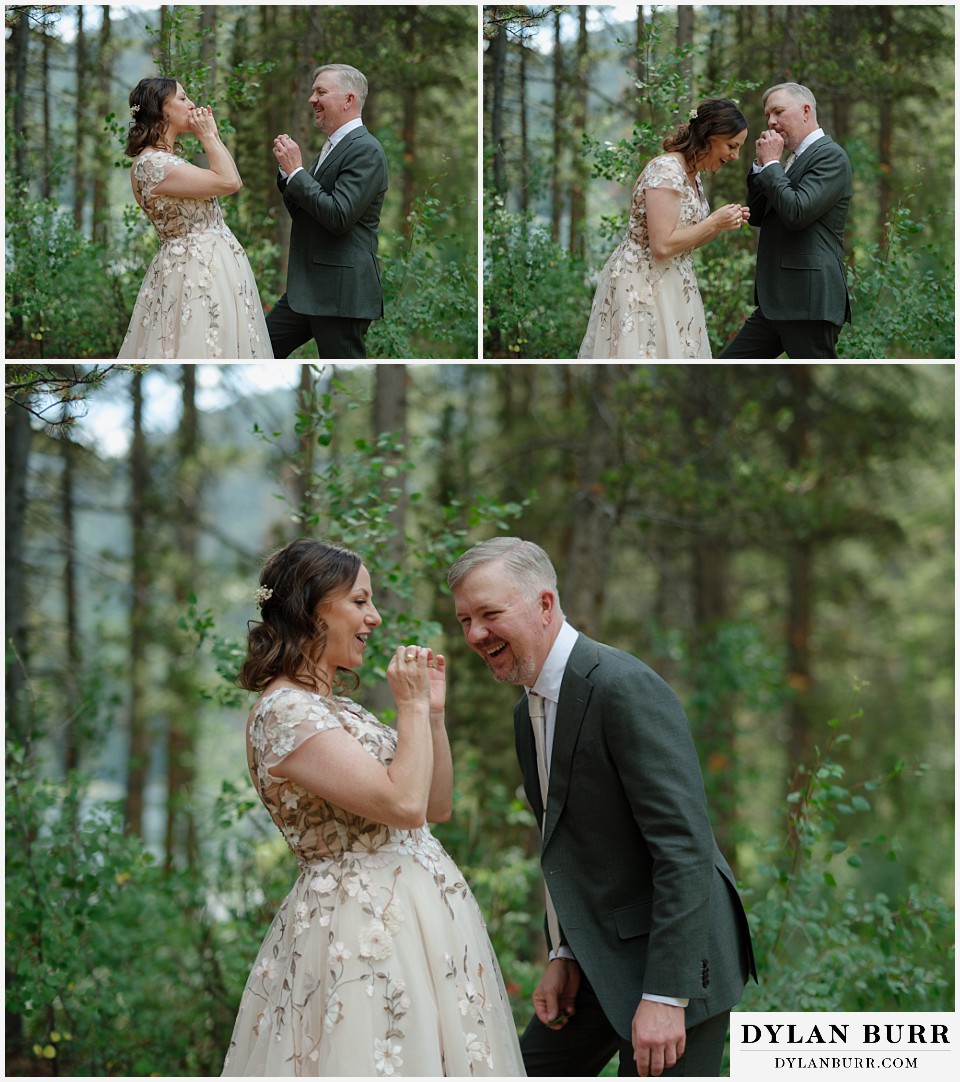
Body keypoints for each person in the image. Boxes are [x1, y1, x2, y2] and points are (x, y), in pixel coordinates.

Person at [448, 538, 757, 1078]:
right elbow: (567, 849)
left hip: (674, 962)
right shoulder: (527, 715)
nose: (475, 634)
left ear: (544, 605)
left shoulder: (624, 687)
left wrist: (665, 995)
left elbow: (683, 849)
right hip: (595, 959)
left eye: (489, 614)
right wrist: (562, 954)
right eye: (465, 620)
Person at [222, 539, 524, 1077]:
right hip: (359, 932)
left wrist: (430, 716)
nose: (375, 617)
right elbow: (403, 805)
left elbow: (436, 804)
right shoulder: (285, 711)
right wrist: (406, 707)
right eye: (360, 602)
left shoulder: (340, 709)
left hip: (422, 924)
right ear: (313, 609)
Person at [578, 99, 750, 359]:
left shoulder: (693, 175)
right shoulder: (667, 169)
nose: (735, 156)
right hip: (643, 283)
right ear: (710, 136)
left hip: (676, 284)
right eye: (732, 146)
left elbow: (684, 244)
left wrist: (721, 224)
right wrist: (713, 221)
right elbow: (662, 247)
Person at [119, 77, 271, 359]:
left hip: (204, 264)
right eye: (183, 98)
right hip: (197, 271)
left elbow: (231, 179)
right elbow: (230, 182)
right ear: (162, 110)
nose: (192, 105)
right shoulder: (154, 164)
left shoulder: (161, 161)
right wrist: (209, 136)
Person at [720, 82, 852, 359]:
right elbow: (757, 214)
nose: (771, 121)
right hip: (776, 303)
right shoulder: (791, 159)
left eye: (778, 112)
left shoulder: (830, 156)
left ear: (806, 111)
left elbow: (796, 213)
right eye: (768, 114)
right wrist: (761, 166)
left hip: (808, 302)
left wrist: (771, 166)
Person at [269, 65, 388, 360]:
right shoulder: (334, 146)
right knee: (256, 349)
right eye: (313, 92)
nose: (312, 99)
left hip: (342, 296)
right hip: (307, 291)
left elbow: (338, 217)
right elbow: (307, 212)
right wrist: (289, 175)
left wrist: (297, 171)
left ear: (348, 99)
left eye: (321, 92)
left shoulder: (366, 150)